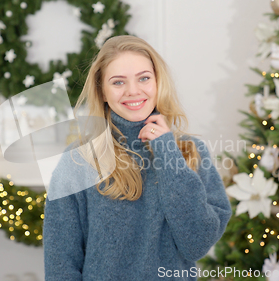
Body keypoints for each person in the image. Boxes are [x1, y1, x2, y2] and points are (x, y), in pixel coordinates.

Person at [43, 35, 231, 280]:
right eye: (118, 82)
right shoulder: (78, 161)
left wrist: (166, 151)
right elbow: (61, 262)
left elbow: (196, 244)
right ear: (102, 92)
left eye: (144, 78)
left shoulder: (189, 151)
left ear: (157, 82)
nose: (133, 91)